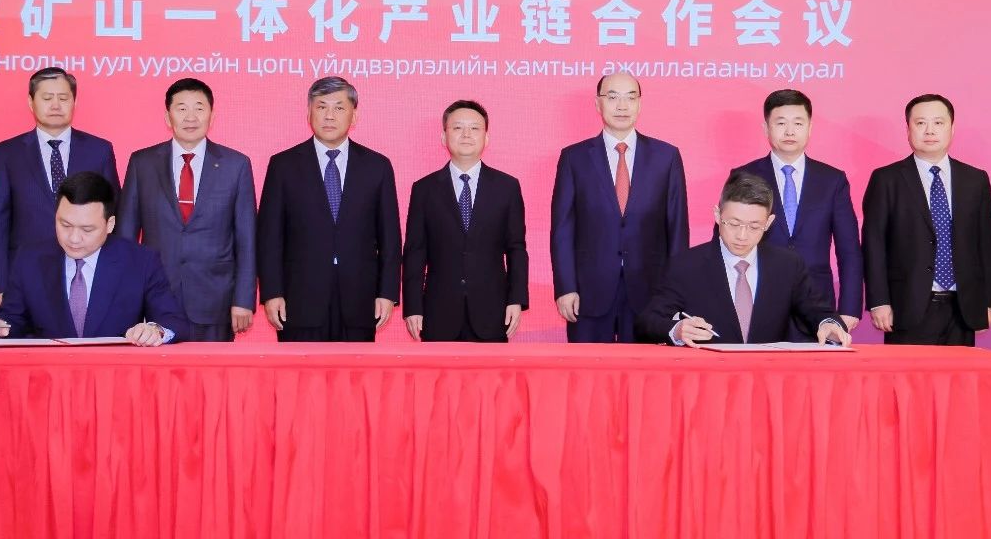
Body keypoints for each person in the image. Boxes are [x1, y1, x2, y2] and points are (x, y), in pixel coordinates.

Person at [257, 77, 401, 342]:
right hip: (298, 300)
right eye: (322, 107)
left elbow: (390, 238)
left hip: (360, 300)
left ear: (353, 116)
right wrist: (272, 292)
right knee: (300, 370)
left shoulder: (377, 166)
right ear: (309, 113)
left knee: (356, 370)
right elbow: (269, 237)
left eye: (339, 107)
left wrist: (387, 292)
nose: (329, 116)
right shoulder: (283, 165)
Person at [0, 172, 186, 344]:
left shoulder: (140, 261)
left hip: (113, 377)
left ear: (110, 224)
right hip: (49, 377)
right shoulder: (29, 260)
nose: (74, 238)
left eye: (87, 229)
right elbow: (12, 321)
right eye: (65, 225)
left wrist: (155, 330)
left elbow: (173, 321)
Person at [636, 172, 850, 347]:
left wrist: (829, 325)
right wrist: (677, 330)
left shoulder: (788, 265)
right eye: (734, 224)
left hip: (768, 376)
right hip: (710, 376)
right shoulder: (687, 265)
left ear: (769, 223)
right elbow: (648, 322)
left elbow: (819, 312)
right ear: (718, 215)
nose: (742, 235)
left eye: (754, 226)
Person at [550, 73, 688, 342]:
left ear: (640, 104)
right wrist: (565, 287)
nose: (622, 106)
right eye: (612, 97)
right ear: (597, 103)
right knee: (588, 367)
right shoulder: (574, 157)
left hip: (650, 293)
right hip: (588, 293)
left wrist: (674, 293)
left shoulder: (666, 156)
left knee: (643, 367)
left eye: (630, 98)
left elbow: (677, 229)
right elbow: (563, 229)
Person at [117, 78, 256, 341]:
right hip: (155, 296)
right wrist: (126, 297)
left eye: (199, 108)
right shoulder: (142, 163)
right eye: (181, 108)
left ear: (212, 116)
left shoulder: (236, 165)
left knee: (213, 368)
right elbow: (126, 236)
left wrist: (243, 299)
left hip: (215, 299)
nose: (190, 117)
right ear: (167, 117)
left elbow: (246, 239)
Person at [861, 94, 991, 345]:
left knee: (960, 372)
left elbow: (987, 244)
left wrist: (989, 301)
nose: (930, 131)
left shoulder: (975, 180)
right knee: (908, 372)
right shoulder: (886, 179)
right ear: (908, 129)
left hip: (963, 308)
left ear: (952, 128)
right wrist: (879, 301)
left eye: (938, 123)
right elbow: (874, 244)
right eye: (921, 123)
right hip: (907, 305)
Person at [729, 89, 863, 339]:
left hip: (817, 305)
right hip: (757, 300)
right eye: (781, 123)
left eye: (798, 123)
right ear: (766, 128)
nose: (789, 131)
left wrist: (849, 308)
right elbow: (726, 242)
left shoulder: (832, 180)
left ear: (810, 128)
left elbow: (849, 249)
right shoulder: (744, 176)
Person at [0, 67, 119, 311]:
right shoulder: (8, 153)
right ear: (31, 102)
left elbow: (112, 217)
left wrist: (113, 276)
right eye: (47, 98)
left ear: (74, 102)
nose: (56, 105)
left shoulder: (99, 150)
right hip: (25, 277)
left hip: (86, 274)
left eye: (63, 98)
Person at [402, 100, 528, 342]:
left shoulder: (507, 187)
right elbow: (415, 252)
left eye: (475, 128)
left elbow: (516, 248)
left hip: (493, 310)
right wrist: (413, 307)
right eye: (458, 127)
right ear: (444, 137)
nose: (467, 134)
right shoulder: (424, 189)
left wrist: (516, 299)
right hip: (438, 310)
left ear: (486, 138)